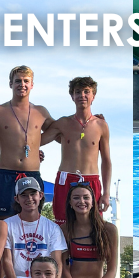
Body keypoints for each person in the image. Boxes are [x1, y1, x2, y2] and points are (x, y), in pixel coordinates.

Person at [44, 76, 112, 224]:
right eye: (78, 92)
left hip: (91, 179)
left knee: (93, 226)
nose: (82, 95)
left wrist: (106, 193)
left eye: (86, 91)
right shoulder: (63, 123)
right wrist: (34, 150)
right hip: (66, 179)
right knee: (63, 225)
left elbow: (106, 161)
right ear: (72, 96)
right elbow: (37, 141)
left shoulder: (101, 125)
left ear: (93, 96)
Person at [0, 66, 54, 221]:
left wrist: (34, 147)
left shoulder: (41, 112)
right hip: (6, 173)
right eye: (18, 81)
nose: (22, 84)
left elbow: (60, 130)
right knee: (2, 223)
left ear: (32, 84)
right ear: (10, 84)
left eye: (26, 81)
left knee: (32, 222)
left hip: (31, 173)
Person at [5, 177, 67, 278]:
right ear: (17, 198)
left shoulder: (53, 228)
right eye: (24, 195)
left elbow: (57, 262)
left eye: (33, 194)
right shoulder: (7, 225)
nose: (29, 199)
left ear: (41, 195)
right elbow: (6, 260)